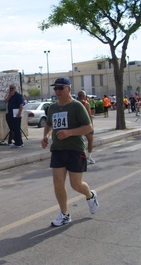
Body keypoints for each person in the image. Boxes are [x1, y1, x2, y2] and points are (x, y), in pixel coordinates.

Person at [41, 77, 98, 227]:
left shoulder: (76, 106)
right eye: (55, 89)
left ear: (69, 89)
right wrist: (46, 136)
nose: (58, 91)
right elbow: (48, 124)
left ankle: (90, 195)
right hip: (58, 150)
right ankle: (65, 214)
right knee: (58, 183)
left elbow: (89, 128)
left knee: (76, 184)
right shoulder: (52, 107)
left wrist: (70, 132)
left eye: (61, 88)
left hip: (75, 149)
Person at [77, 90, 95, 164]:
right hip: (86, 125)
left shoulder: (75, 104)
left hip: (77, 125)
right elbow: (89, 116)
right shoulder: (86, 104)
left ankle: (80, 157)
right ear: (85, 96)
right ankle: (89, 157)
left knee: (79, 143)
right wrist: (92, 126)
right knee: (90, 141)